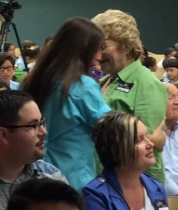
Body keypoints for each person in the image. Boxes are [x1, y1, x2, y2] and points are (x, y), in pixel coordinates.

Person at [21, 17, 111, 190]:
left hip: (32, 178)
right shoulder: (83, 87)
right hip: (75, 180)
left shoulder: (29, 82)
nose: (100, 55)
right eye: (97, 48)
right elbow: (112, 129)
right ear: (85, 50)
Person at [93, 9, 169, 185]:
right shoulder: (102, 82)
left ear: (126, 46)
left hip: (130, 186)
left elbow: (148, 147)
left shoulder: (146, 83)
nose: (97, 54)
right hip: (101, 181)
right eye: (95, 47)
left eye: (103, 46)